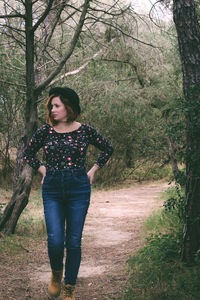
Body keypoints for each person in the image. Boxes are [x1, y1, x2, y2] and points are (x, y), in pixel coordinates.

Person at [23, 87, 114, 300]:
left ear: (69, 107)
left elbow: (108, 148)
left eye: (57, 105)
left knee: (73, 241)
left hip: (78, 188)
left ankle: (69, 287)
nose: (52, 109)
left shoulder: (85, 130)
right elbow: (28, 153)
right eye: (51, 106)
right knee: (55, 239)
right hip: (52, 187)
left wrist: (93, 170)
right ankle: (56, 274)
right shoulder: (45, 131)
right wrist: (42, 169)